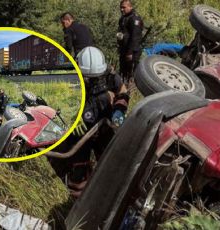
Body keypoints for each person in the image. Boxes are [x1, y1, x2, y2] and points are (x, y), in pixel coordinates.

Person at [49, 46, 129, 197]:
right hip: (81, 133)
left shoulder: (110, 75)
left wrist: (119, 110)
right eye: (88, 78)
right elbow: (60, 105)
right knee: (79, 174)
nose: (93, 81)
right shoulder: (69, 80)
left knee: (112, 164)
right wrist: (73, 120)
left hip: (104, 127)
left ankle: (111, 193)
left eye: (96, 77)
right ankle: (81, 199)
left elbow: (122, 92)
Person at [117, 0, 144, 83]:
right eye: (121, 7)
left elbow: (135, 37)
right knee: (123, 73)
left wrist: (130, 52)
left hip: (132, 51)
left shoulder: (134, 18)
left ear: (130, 7)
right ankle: (123, 91)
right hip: (124, 50)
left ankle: (131, 91)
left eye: (124, 7)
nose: (122, 9)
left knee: (131, 74)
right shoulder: (123, 18)